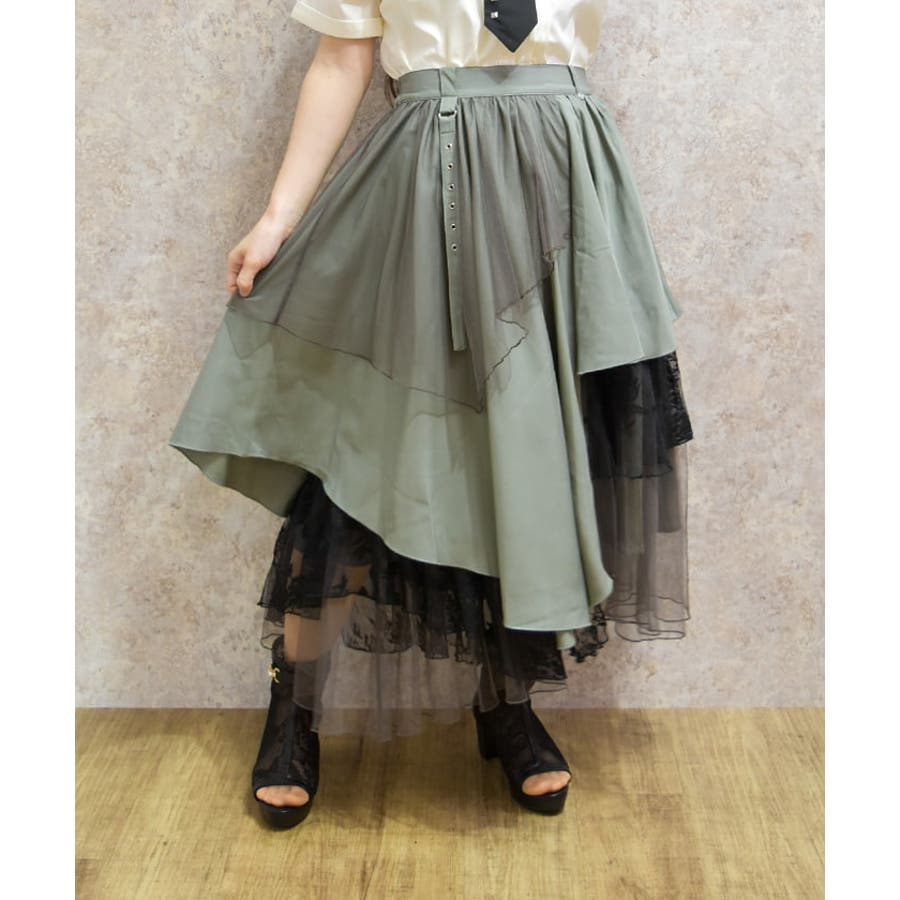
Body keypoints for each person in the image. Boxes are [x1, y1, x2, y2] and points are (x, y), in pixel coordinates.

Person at [168, 0, 695, 828]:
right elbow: (342, 58)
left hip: (565, 175)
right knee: (367, 459)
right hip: (429, 183)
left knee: (529, 456)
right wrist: (277, 218)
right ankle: (293, 707)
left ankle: (507, 699)